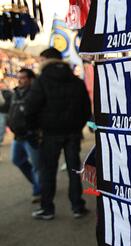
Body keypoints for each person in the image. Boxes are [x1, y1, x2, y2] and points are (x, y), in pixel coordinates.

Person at [26, 47, 91, 220]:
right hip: (72, 133)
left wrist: (35, 128)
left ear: (46, 60)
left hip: (50, 134)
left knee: (49, 171)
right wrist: (77, 126)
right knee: (74, 170)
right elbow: (86, 109)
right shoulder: (75, 80)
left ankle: (48, 209)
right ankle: (77, 206)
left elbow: (31, 108)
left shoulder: (41, 81)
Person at [7, 69, 41, 202]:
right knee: (17, 160)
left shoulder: (36, 94)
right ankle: (38, 184)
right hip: (18, 136)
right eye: (18, 77)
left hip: (31, 135)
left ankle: (38, 191)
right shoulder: (15, 93)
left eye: (23, 78)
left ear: (31, 79)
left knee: (37, 166)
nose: (19, 80)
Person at [0, 85, 12, 160]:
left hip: (3, 112)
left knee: (2, 126)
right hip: (3, 112)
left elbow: (2, 102)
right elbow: (2, 102)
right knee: (1, 126)